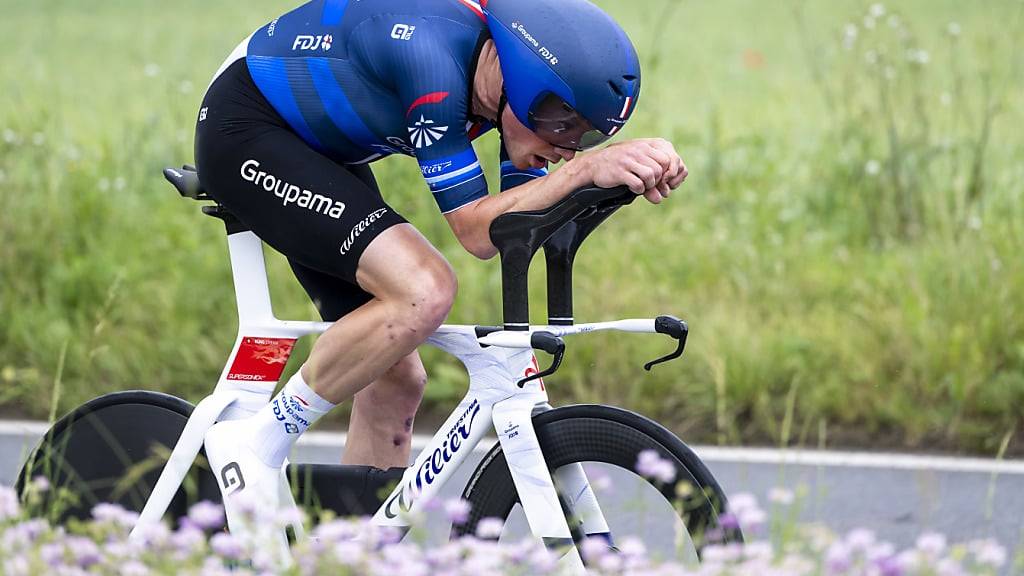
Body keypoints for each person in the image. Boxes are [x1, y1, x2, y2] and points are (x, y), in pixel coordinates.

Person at [197, 0, 688, 536]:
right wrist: (590, 167)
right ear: (514, 80)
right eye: (563, 125)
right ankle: (255, 444)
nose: (567, 150)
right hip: (247, 128)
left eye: (586, 136)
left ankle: (354, 556)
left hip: (320, 150)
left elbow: (514, 226)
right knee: (423, 291)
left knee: (395, 376)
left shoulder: (507, 95)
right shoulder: (429, 63)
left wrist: (619, 179)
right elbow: (477, 232)